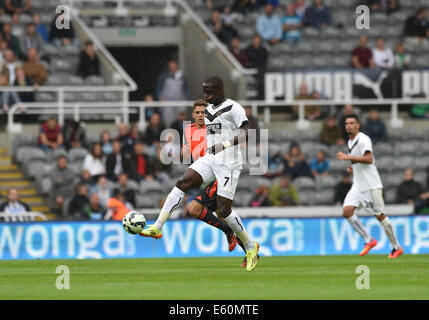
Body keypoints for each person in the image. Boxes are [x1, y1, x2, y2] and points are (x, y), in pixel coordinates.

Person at [140, 76, 260, 272]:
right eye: (204, 92)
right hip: (211, 159)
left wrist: (226, 144)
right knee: (183, 182)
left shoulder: (233, 108)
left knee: (223, 210)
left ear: (220, 90)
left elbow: (249, 131)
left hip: (229, 163)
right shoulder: (209, 109)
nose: (206, 96)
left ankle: (249, 245)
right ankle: (158, 226)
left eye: (209, 93)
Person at [336, 114, 403, 258]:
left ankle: (397, 247)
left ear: (358, 125)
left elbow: (368, 158)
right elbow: (361, 162)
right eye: (347, 123)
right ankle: (369, 240)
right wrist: (353, 167)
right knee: (347, 211)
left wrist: (348, 158)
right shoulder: (350, 141)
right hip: (358, 185)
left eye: (352, 123)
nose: (349, 125)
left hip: (371, 185)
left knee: (380, 217)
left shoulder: (363, 139)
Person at [155, 59, 189, 125]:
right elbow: (158, 87)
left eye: (174, 66)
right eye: (171, 66)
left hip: (180, 102)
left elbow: (186, 89)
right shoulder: (164, 76)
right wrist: (159, 97)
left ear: (177, 66)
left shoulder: (182, 77)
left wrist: (187, 99)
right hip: (167, 103)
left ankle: (184, 134)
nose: (172, 67)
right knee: (168, 121)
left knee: (182, 120)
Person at [246, 34, 268, 100]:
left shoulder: (263, 50)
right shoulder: (248, 50)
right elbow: (247, 62)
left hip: (261, 71)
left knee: (262, 78)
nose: (256, 42)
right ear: (253, 40)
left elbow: (265, 62)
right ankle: (260, 99)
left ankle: (261, 99)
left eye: (258, 40)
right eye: (255, 40)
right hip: (251, 70)